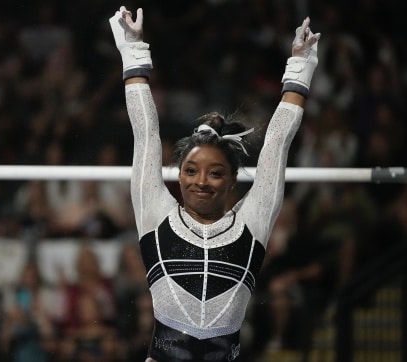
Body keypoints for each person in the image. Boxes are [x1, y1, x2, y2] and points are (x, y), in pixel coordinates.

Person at [110, 5, 320, 362]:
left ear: (232, 179)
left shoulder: (253, 223)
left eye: (215, 173)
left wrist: (300, 66)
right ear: (178, 174)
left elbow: (277, 144)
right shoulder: (155, 213)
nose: (201, 182)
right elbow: (145, 134)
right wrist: (133, 50)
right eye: (190, 171)